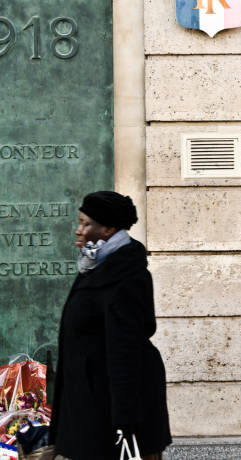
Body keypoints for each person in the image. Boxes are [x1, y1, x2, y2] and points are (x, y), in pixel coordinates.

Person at [49, 191, 172, 460]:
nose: (78, 230)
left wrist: (126, 424)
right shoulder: (96, 264)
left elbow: (126, 350)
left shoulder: (125, 274)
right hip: (94, 402)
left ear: (107, 229)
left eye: (85, 223)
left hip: (114, 411)